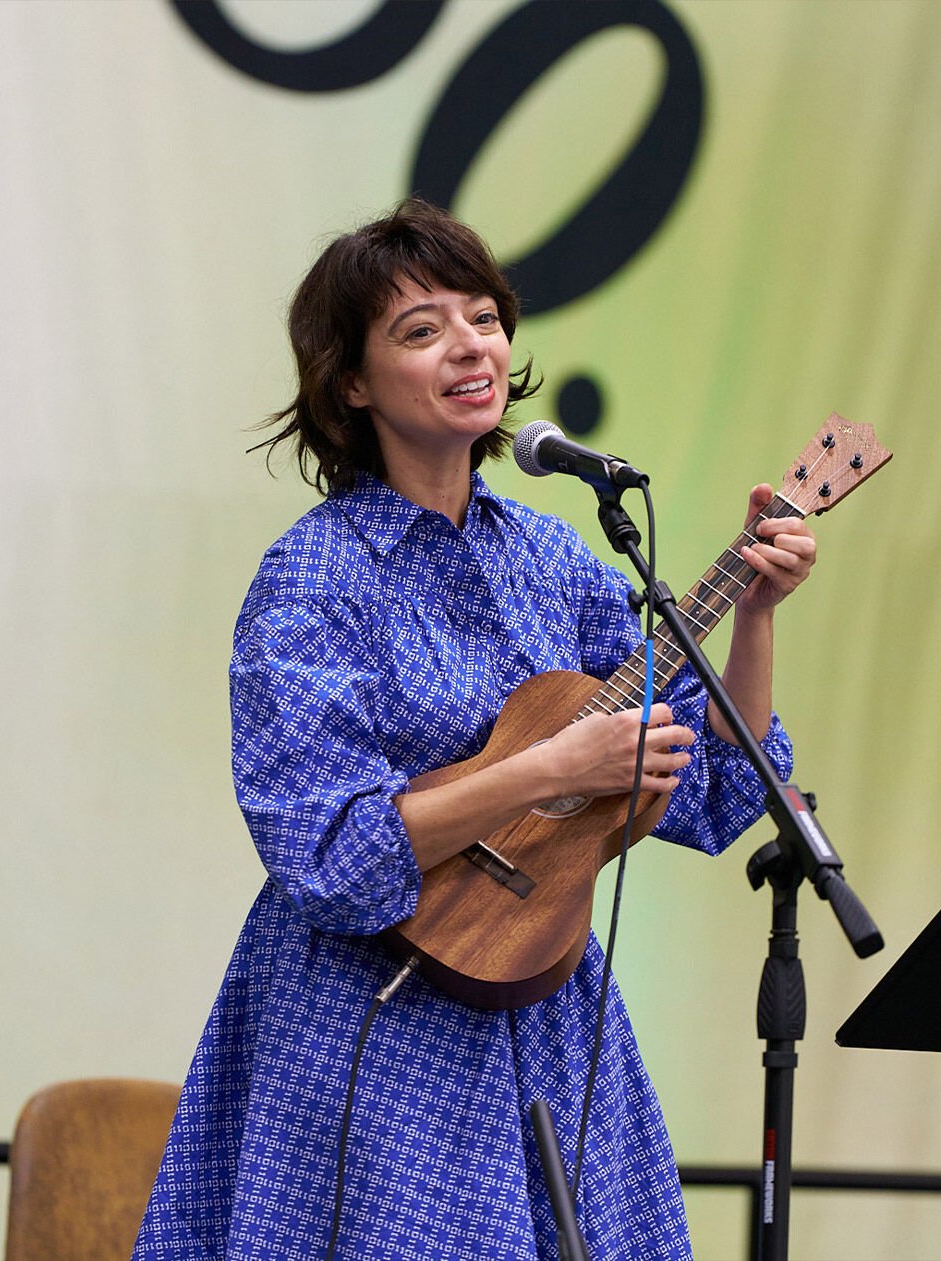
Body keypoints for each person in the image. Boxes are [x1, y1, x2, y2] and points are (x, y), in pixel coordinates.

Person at [132, 199, 816, 1261]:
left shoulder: (556, 558)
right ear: (350, 384)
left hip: (543, 1001)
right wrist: (541, 768)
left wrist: (756, 615)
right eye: (421, 329)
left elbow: (720, 790)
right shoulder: (312, 578)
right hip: (365, 1013)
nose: (471, 345)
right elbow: (325, 856)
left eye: (484, 317)